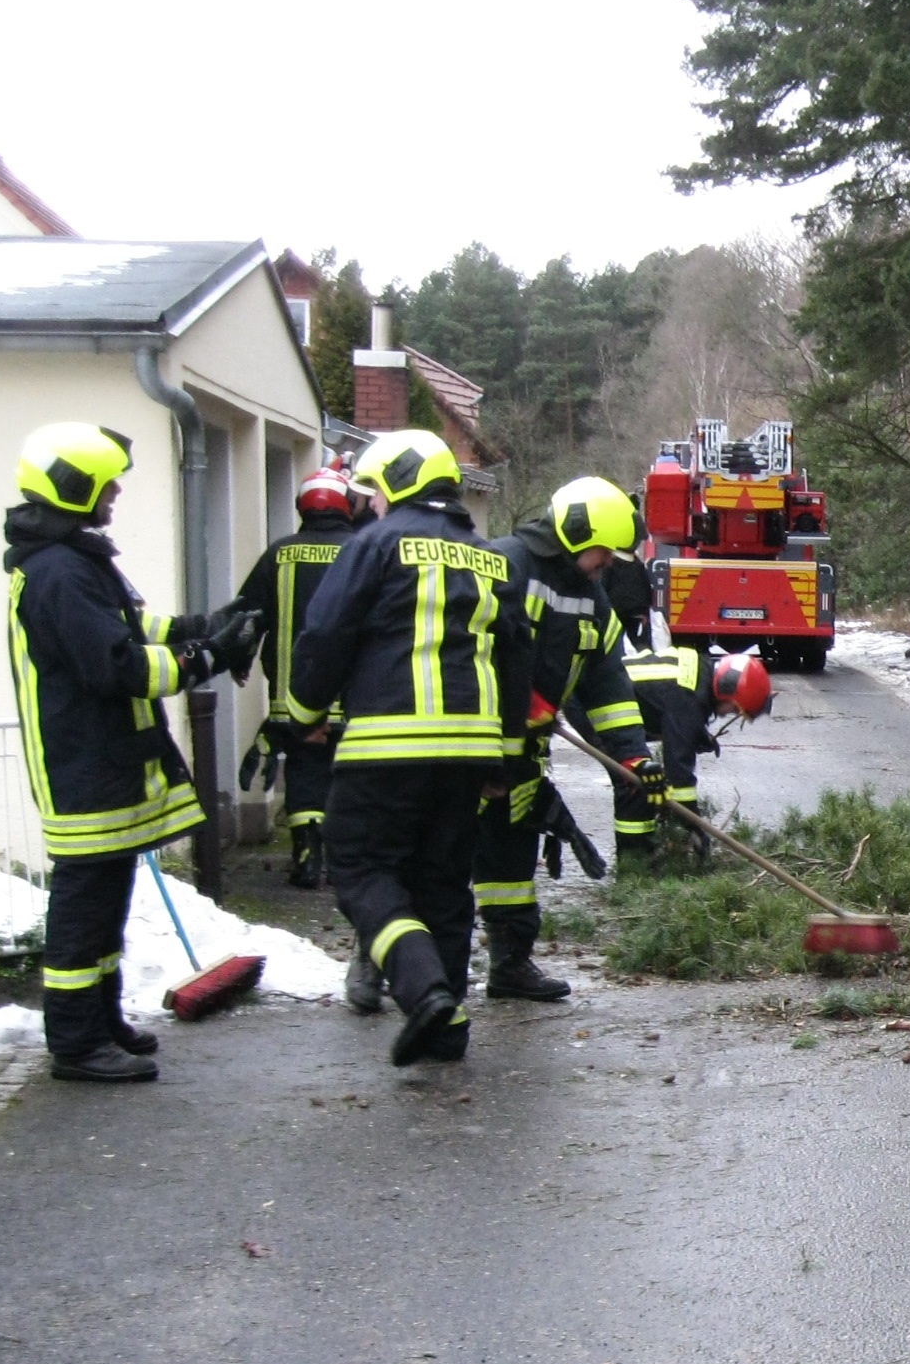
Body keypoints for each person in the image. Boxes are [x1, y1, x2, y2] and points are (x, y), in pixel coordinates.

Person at [3, 423, 257, 1082]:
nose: (115, 491)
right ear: (75, 485)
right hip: (80, 765)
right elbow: (114, 666)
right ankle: (76, 1044)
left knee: (107, 899)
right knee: (84, 910)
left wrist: (205, 626)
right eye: (107, 481)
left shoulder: (76, 562)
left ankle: (102, 1018)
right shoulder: (57, 572)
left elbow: (133, 628)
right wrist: (205, 658)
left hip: (100, 761)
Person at [283, 430, 530, 1064]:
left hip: (385, 745)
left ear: (398, 486)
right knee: (444, 884)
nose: (373, 503)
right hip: (469, 753)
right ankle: (448, 1028)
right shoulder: (491, 558)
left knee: (363, 869)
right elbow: (515, 660)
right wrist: (504, 752)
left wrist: (305, 713)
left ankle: (424, 994)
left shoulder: (373, 545)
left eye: (377, 491)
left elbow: (325, 632)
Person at [473, 477, 662, 1001]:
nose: (607, 564)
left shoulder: (591, 598)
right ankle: (388, 963)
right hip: (469, 744)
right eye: (602, 553)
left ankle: (510, 965)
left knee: (511, 862)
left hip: (524, 757)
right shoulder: (505, 564)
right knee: (433, 854)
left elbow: (608, 682)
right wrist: (511, 697)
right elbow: (461, 646)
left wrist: (633, 755)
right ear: (577, 532)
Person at [232, 464, 356, 888]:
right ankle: (349, 863)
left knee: (304, 773)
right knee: (352, 776)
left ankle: (306, 854)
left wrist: (239, 660)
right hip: (357, 701)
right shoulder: (363, 550)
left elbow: (246, 616)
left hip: (294, 699)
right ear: (347, 505)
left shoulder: (279, 554)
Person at [609, 647, 772, 856]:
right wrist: (694, 825)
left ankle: (644, 850)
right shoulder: (689, 700)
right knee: (635, 780)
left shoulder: (698, 673)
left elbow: (667, 707)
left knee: (645, 779)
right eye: (733, 709)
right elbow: (679, 774)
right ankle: (634, 862)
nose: (727, 715)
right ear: (725, 691)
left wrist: (695, 732)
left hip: (611, 691)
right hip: (597, 702)